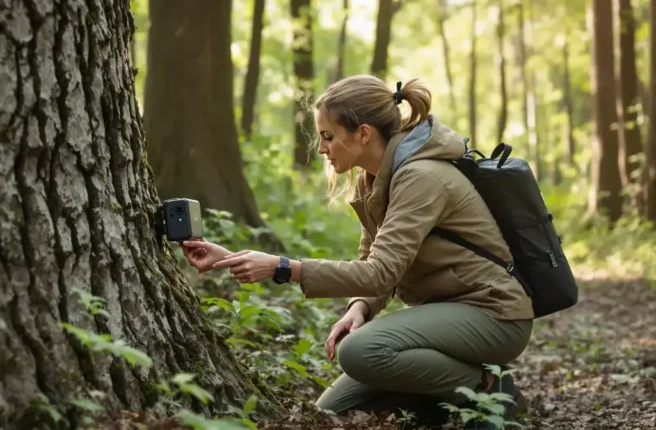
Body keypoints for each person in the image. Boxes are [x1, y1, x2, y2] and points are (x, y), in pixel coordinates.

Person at [178, 75, 534, 429]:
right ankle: (443, 395)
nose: (321, 149)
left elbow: (381, 272)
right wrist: (359, 307)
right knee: (330, 411)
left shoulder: (422, 177)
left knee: (359, 351)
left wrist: (282, 267)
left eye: (328, 136)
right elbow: (372, 263)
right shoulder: (374, 178)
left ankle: (486, 388)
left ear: (363, 133)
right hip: (445, 315)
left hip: (494, 314)